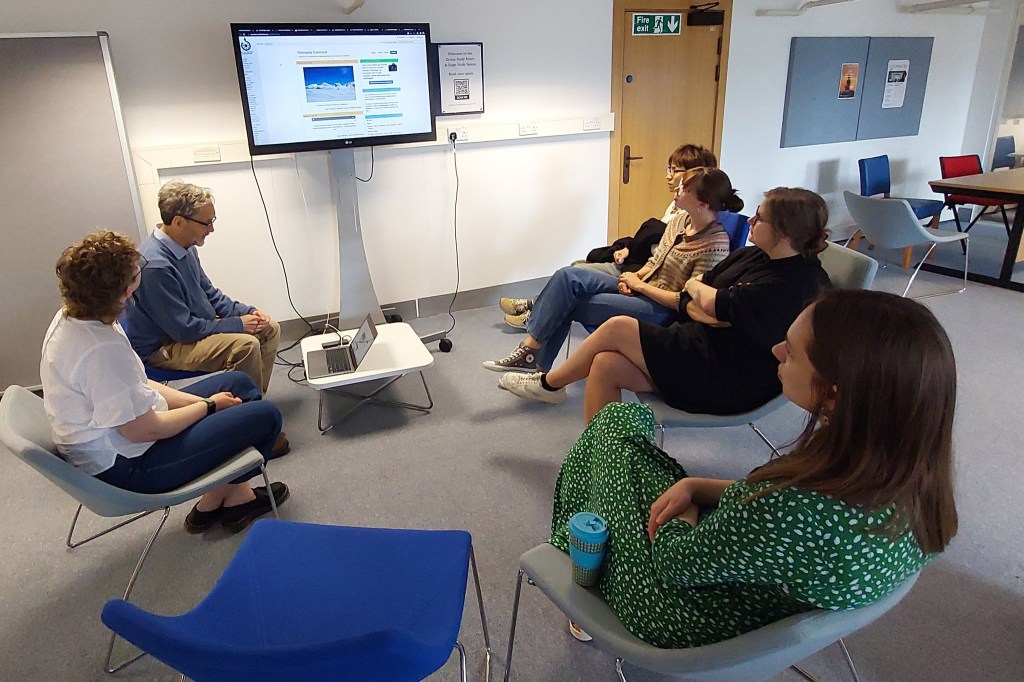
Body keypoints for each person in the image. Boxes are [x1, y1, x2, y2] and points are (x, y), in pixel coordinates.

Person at [548, 289, 958, 648]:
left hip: (681, 612)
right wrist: (697, 486)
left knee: (614, 427)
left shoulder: (787, 509)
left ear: (833, 394)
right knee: (627, 446)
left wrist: (685, 509)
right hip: (765, 591)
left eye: (792, 352)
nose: (777, 351)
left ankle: (589, 567)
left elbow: (673, 562)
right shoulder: (914, 482)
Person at [498, 187, 831, 423]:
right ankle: (600, 460)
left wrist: (706, 300)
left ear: (786, 232)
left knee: (616, 327)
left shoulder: (794, 283)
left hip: (724, 374)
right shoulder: (753, 255)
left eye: (760, 218)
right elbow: (694, 294)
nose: (751, 222)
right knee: (603, 363)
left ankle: (548, 383)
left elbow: (706, 297)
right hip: (697, 341)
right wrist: (708, 303)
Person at [40, 231, 290, 534]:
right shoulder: (101, 349)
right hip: (131, 466)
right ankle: (233, 498)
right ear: (122, 292)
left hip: (125, 437)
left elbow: (138, 382)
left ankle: (225, 496)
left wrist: (202, 404)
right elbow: (144, 430)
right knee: (266, 417)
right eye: (135, 275)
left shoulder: (76, 317)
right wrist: (209, 407)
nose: (139, 276)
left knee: (239, 384)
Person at [483, 167, 739, 373]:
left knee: (570, 303)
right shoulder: (680, 222)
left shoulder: (715, 245)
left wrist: (640, 286)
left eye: (685, 189)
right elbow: (655, 261)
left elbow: (686, 303)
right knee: (567, 276)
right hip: (643, 288)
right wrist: (634, 278)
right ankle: (533, 357)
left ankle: (537, 366)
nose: (677, 190)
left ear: (703, 204)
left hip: (661, 311)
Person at [498, 143, 718, 328]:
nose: (669, 177)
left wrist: (638, 281)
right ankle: (534, 317)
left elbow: (684, 294)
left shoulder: (709, 235)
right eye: (668, 169)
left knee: (573, 283)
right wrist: (630, 252)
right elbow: (653, 253)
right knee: (572, 272)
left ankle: (534, 314)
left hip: (649, 290)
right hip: (637, 271)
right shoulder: (678, 216)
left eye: (676, 171)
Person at [124, 181, 282, 395]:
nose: (211, 229)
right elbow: (184, 330)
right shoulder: (155, 266)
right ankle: (244, 415)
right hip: (165, 346)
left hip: (191, 328)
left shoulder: (185, 247)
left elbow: (210, 294)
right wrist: (237, 324)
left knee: (270, 328)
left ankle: (252, 402)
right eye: (206, 223)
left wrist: (248, 312)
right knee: (245, 346)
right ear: (179, 222)